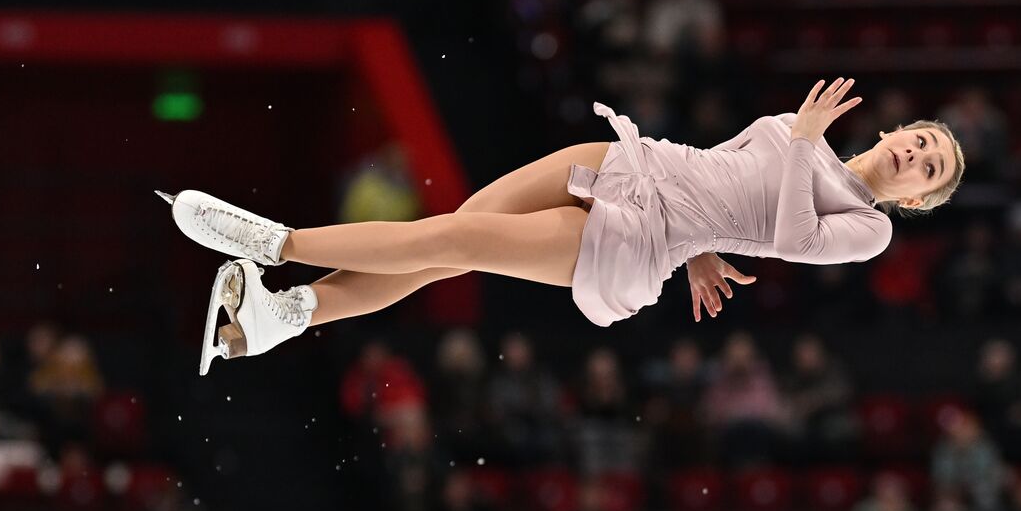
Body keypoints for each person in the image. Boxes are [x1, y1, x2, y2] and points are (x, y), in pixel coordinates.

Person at [158, 78, 963, 374]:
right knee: (458, 230)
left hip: (633, 241)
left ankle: (274, 244)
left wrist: (801, 144)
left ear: (918, 200)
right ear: (898, 130)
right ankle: (282, 318)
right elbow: (728, 180)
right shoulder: (805, 131)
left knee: (450, 244)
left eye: (930, 168)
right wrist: (707, 252)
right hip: (638, 166)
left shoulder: (870, 228)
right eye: (922, 141)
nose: (916, 155)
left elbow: (791, 236)